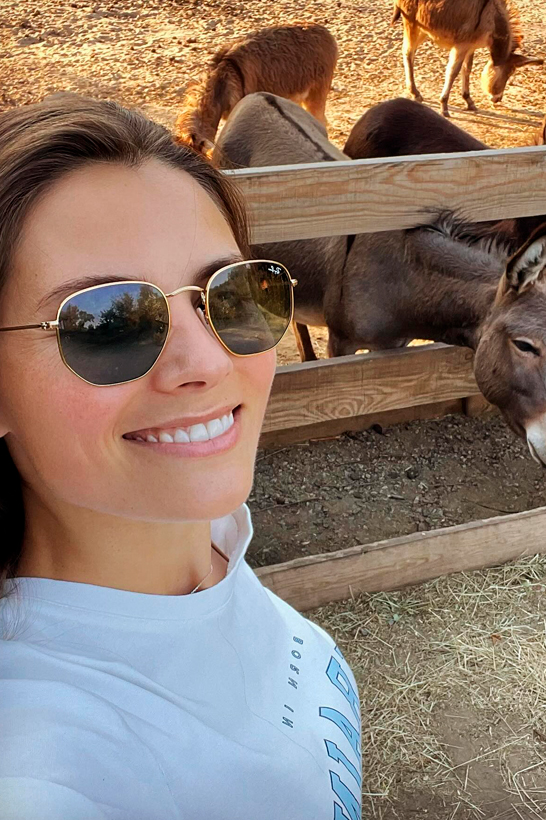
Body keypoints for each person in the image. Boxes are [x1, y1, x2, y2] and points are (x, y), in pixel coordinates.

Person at [0, 95, 362, 820]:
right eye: (107, 323)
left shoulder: (213, 540)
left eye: (231, 295)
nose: (204, 361)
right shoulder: (42, 773)